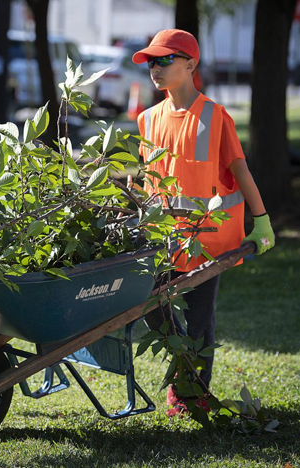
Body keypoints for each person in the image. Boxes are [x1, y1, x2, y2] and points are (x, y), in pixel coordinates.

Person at [131, 29, 275, 416]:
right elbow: (151, 181)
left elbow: (239, 171)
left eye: (164, 60)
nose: (155, 69)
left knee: (199, 318)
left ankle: (191, 393)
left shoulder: (214, 116)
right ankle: (186, 373)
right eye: (150, 62)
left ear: (190, 64)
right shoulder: (148, 119)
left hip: (209, 241)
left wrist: (261, 221)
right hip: (163, 238)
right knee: (149, 305)